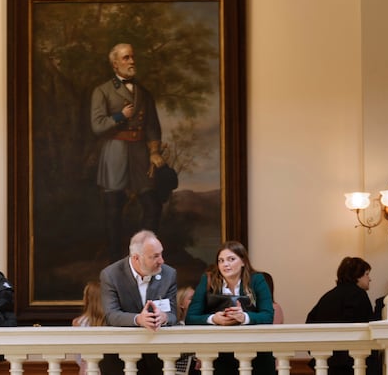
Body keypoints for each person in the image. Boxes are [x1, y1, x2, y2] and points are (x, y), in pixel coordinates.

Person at [91, 43, 166, 262]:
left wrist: (154, 151)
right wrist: (120, 116)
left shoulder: (143, 92)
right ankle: (116, 258)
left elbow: (152, 125)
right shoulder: (102, 91)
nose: (131, 61)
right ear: (115, 63)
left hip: (140, 154)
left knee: (152, 204)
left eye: (132, 57)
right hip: (115, 152)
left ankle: (147, 256)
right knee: (113, 207)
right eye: (126, 58)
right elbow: (97, 125)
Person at [185, 240, 274, 375]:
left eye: (231, 259)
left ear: (243, 261)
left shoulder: (257, 280)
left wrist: (244, 317)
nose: (225, 264)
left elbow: (268, 316)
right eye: (221, 261)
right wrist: (214, 319)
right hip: (219, 353)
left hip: (255, 352)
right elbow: (190, 318)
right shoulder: (208, 280)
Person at [99, 230, 177, 375]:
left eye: (161, 254)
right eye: (155, 256)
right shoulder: (111, 275)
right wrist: (138, 319)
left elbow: (173, 315)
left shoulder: (169, 274)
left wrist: (164, 317)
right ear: (136, 258)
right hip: (121, 357)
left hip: (158, 357)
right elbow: (112, 315)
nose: (162, 260)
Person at [306, 257, 381, 375]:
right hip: (352, 363)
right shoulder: (359, 295)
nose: (370, 279)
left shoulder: (327, 297)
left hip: (328, 363)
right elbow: (368, 328)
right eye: (367, 274)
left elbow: (310, 322)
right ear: (357, 275)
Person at [72, 281, 105, 375]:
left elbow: (78, 354)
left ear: (87, 299)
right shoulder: (110, 321)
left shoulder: (78, 322)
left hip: (86, 367)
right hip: (107, 367)